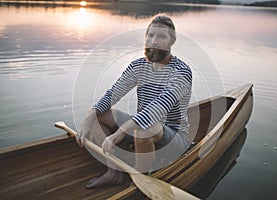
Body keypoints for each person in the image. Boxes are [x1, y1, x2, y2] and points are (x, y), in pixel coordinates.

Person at [76, 14, 192, 189]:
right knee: (100, 115)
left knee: (144, 129)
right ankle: (114, 173)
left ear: (172, 41)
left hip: (174, 138)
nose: (154, 41)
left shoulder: (181, 72)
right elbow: (112, 94)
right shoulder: (137, 66)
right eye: (150, 35)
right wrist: (89, 116)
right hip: (140, 128)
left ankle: (140, 180)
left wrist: (121, 132)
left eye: (161, 36)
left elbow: (159, 107)